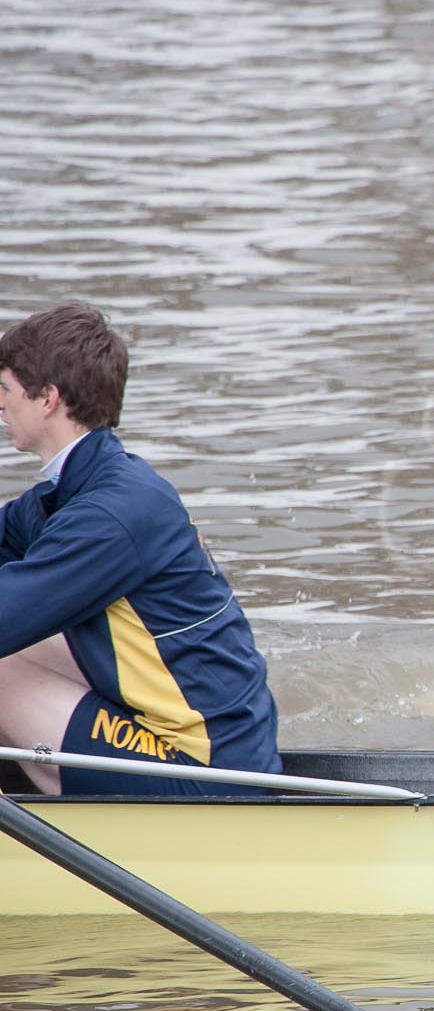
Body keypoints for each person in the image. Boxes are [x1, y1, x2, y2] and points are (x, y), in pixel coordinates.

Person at [0, 303, 281, 796]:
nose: (0, 405)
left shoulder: (109, 516)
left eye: (5, 390)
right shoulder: (88, 486)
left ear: (47, 398)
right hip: (208, 739)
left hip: (205, 775)